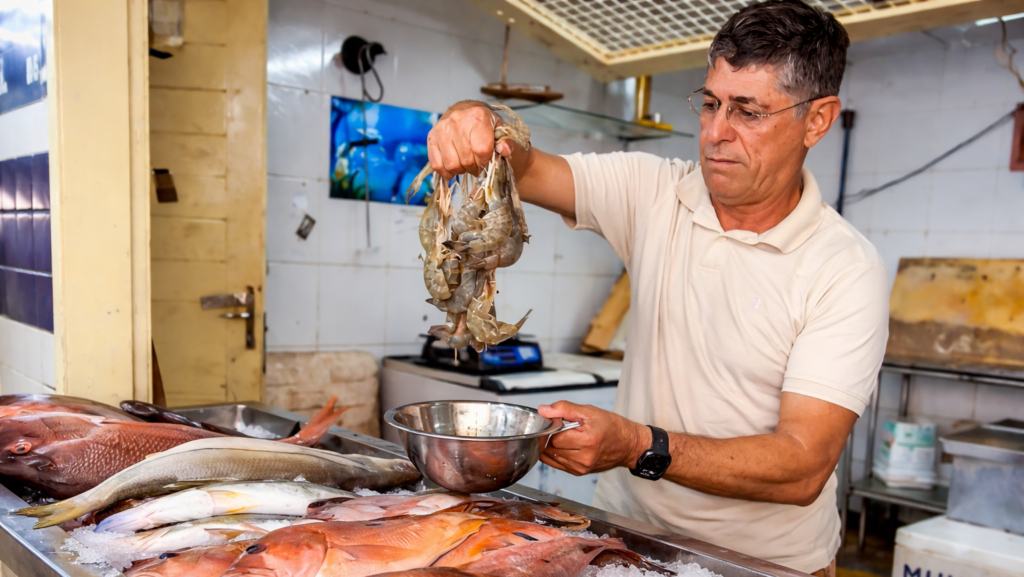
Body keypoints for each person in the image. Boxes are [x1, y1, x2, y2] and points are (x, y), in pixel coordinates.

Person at [425, 0, 888, 574]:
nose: (717, 134)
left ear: (817, 119)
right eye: (712, 103)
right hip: (626, 545)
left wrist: (636, 444)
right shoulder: (654, 192)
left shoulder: (845, 268)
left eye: (748, 112)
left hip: (765, 565)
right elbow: (523, 165)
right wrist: (475, 119)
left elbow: (801, 465)